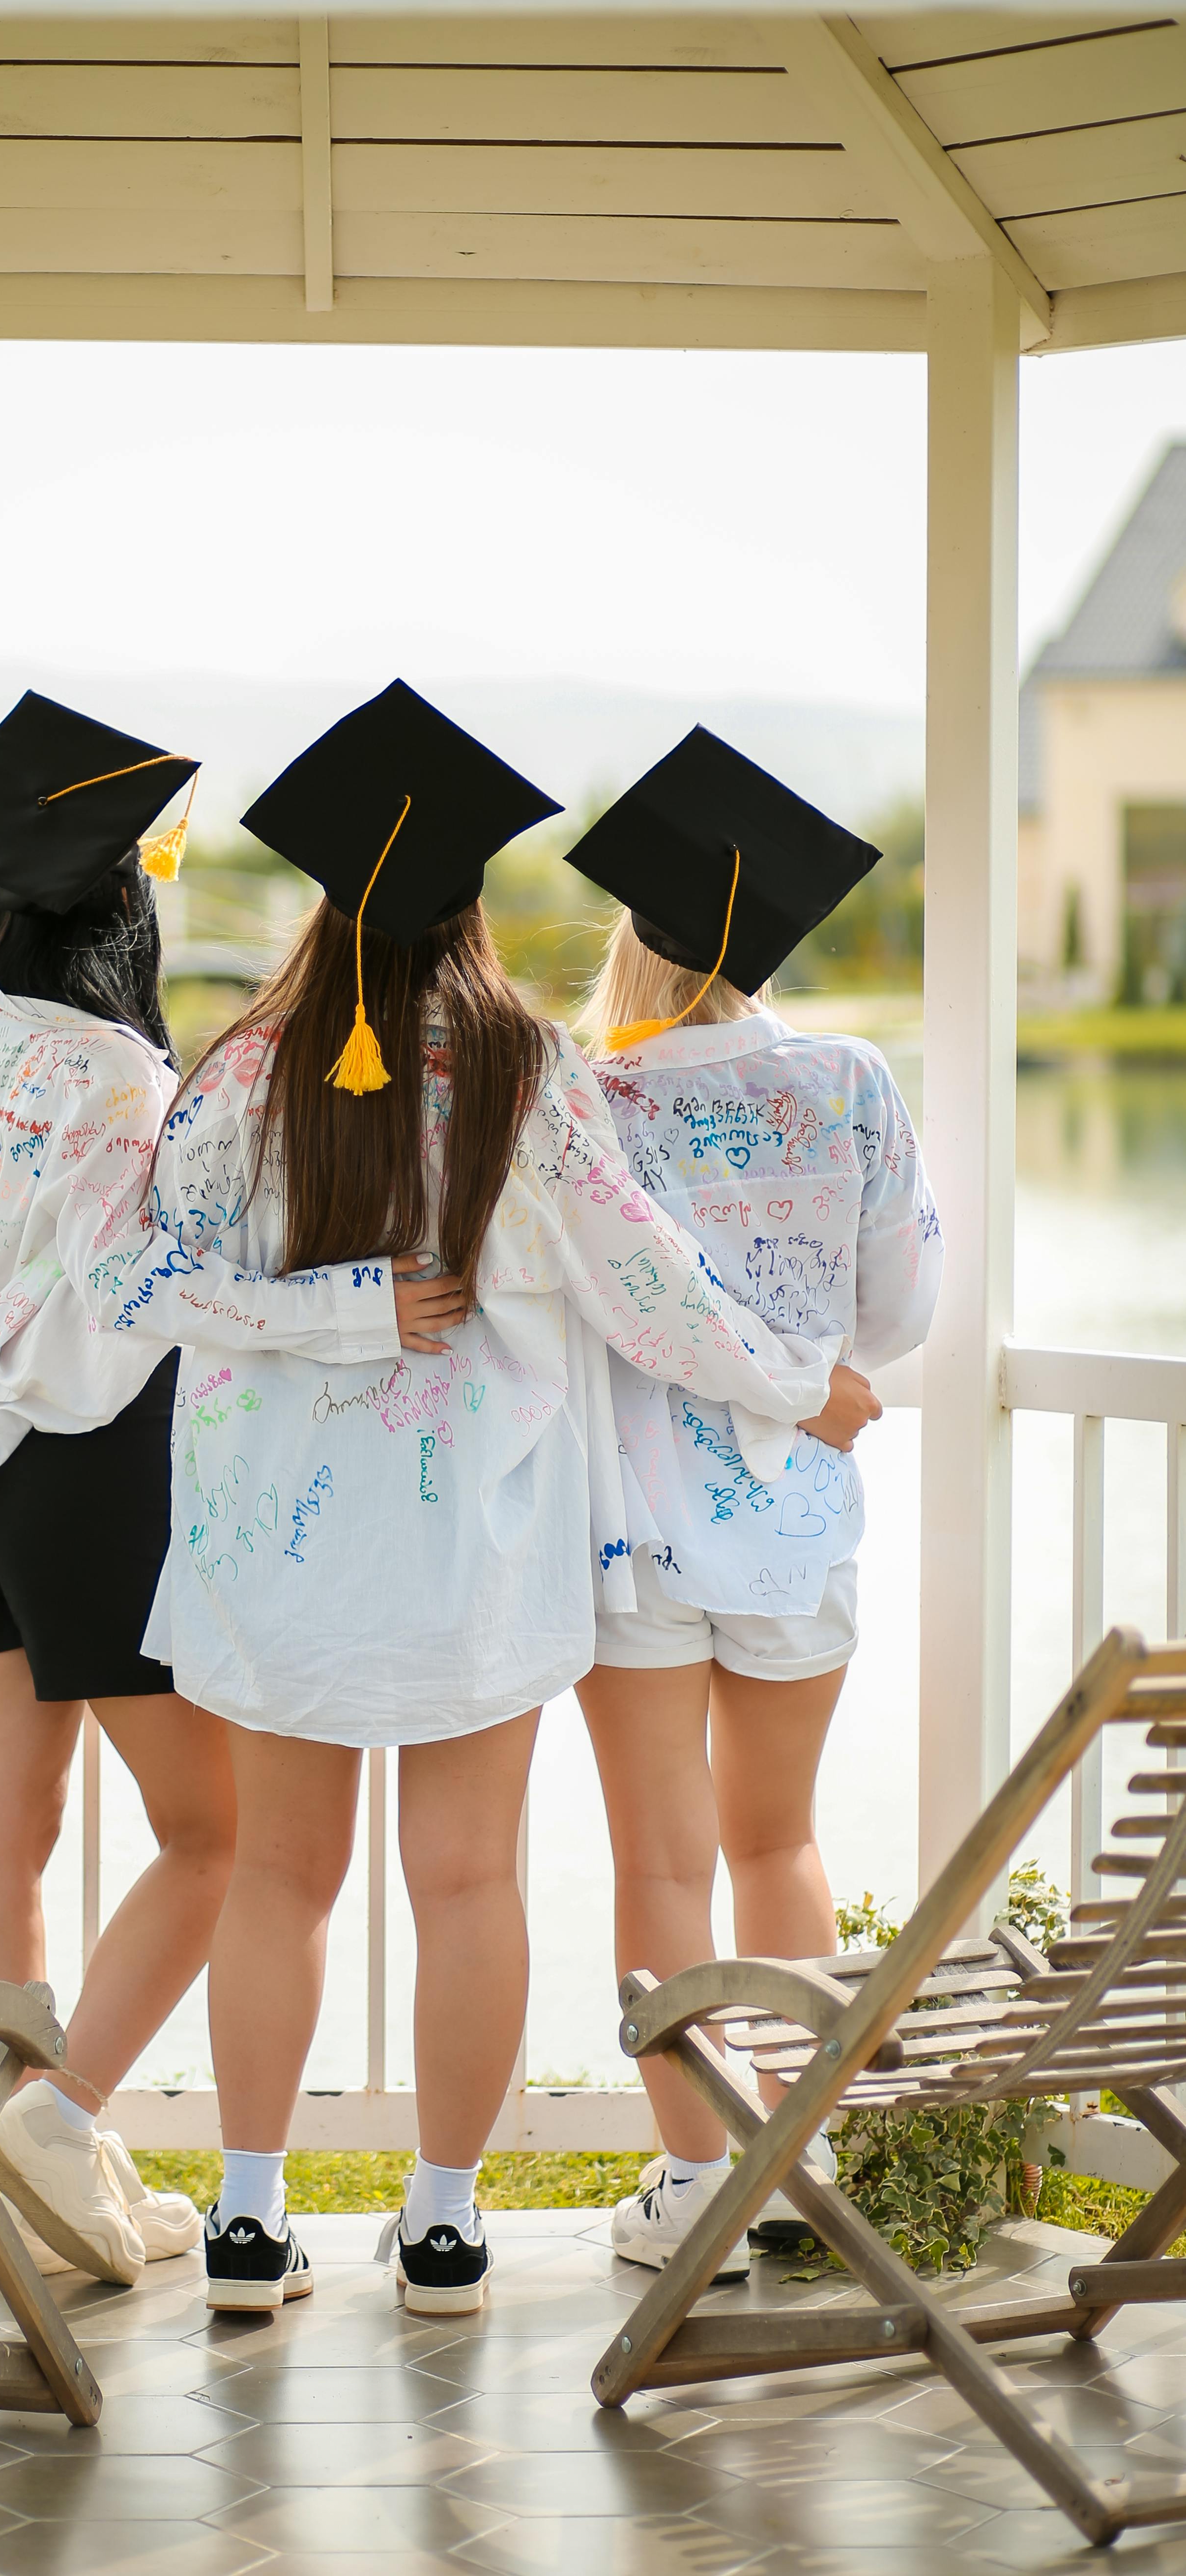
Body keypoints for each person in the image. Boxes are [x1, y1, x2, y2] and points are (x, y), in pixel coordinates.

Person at [123, 682, 850, 2318]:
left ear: (325, 899)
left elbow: (143, 1277)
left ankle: (249, 2221)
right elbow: (651, 1292)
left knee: (277, 1882)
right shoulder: (530, 1070)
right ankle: (442, 2227)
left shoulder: (243, 1070)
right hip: (479, 1544)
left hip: (276, 1546)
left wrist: (323, 1310)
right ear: (469, 903)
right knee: (467, 1883)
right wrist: (808, 1390)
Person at [0, 691, 459, 2288]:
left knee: (0, 1838)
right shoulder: (126, 1075)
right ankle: (53, 2127)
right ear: (130, 910)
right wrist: (354, 1309)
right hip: (89, 1469)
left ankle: (18, 2172)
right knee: (214, 1834)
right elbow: (152, 1288)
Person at [560, 725, 942, 2279]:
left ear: (633, 947)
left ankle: (692, 2182)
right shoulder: (848, 1080)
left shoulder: (586, 1099)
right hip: (797, 1519)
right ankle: (799, 2159)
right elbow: (903, 1314)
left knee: (659, 1860)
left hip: (630, 1525)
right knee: (778, 1839)